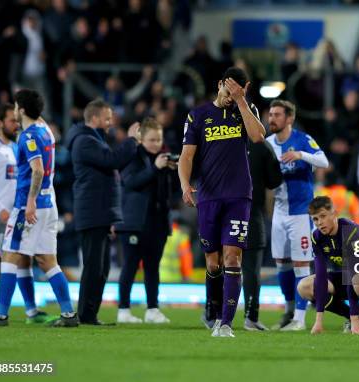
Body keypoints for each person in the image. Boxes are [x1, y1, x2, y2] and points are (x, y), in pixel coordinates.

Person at [179, 67, 265, 337]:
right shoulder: (198, 115)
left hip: (239, 196)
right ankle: (212, 310)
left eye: (237, 92)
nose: (230, 97)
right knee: (213, 262)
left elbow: (258, 136)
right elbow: (186, 156)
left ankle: (225, 323)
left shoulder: (246, 109)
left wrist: (241, 101)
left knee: (232, 257)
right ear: (219, 85)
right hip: (208, 196)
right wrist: (185, 185)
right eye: (228, 92)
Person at [0, 89, 77, 327]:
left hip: (29, 205)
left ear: (21, 110)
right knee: (48, 261)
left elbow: (37, 170)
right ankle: (68, 314)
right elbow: (37, 117)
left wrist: (31, 201)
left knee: (10, 256)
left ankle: (1, 315)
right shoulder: (46, 131)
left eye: (16, 107)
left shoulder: (28, 137)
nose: (14, 111)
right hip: (50, 205)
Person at [65, 99, 139, 325]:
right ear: (94, 118)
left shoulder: (93, 140)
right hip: (92, 211)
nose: (110, 123)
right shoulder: (84, 141)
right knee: (93, 267)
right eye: (107, 118)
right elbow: (112, 161)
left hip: (101, 212)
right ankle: (85, 314)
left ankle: (90, 314)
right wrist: (132, 140)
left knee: (102, 268)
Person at [267, 99, 329, 331]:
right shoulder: (267, 143)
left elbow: (324, 161)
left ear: (289, 118)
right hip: (279, 212)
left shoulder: (302, 140)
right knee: (281, 263)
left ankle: (300, 320)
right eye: (270, 114)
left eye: (277, 115)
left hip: (301, 213)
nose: (272, 118)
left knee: (301, 264)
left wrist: (301, 155)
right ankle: (289, 310)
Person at [297, 196, 359, 335]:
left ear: (334, 213)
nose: (320, 223)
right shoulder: (317, 237)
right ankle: (350, 316)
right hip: (349, 279)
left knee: (358, 280)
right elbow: (321, 275)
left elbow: (353, 274)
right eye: (315, 219)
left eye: (323, 216)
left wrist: (354, 318)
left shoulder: (351, 233)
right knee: (305, 287)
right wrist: (318, 321)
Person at [116, 117, 176, 324]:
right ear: (141, 140)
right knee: (130, 266)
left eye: (158, 139)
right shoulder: (131, 156)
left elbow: (169, 193)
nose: (156, 144)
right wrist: (155, 169)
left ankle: (152, 309)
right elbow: (131, 182)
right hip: (133, 221)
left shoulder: (163, 159)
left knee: (152, 267)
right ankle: (123, 310)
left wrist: (173, 171)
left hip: (158, 222)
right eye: (151, 140)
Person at [242, 139, 282, 331]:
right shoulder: (262, 145)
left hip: (220, 210)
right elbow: (274, 180)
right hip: (251, 212)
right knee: (251, 269)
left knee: (217, 262)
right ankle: (251, 317)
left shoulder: (219, 137)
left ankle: (213, 313)